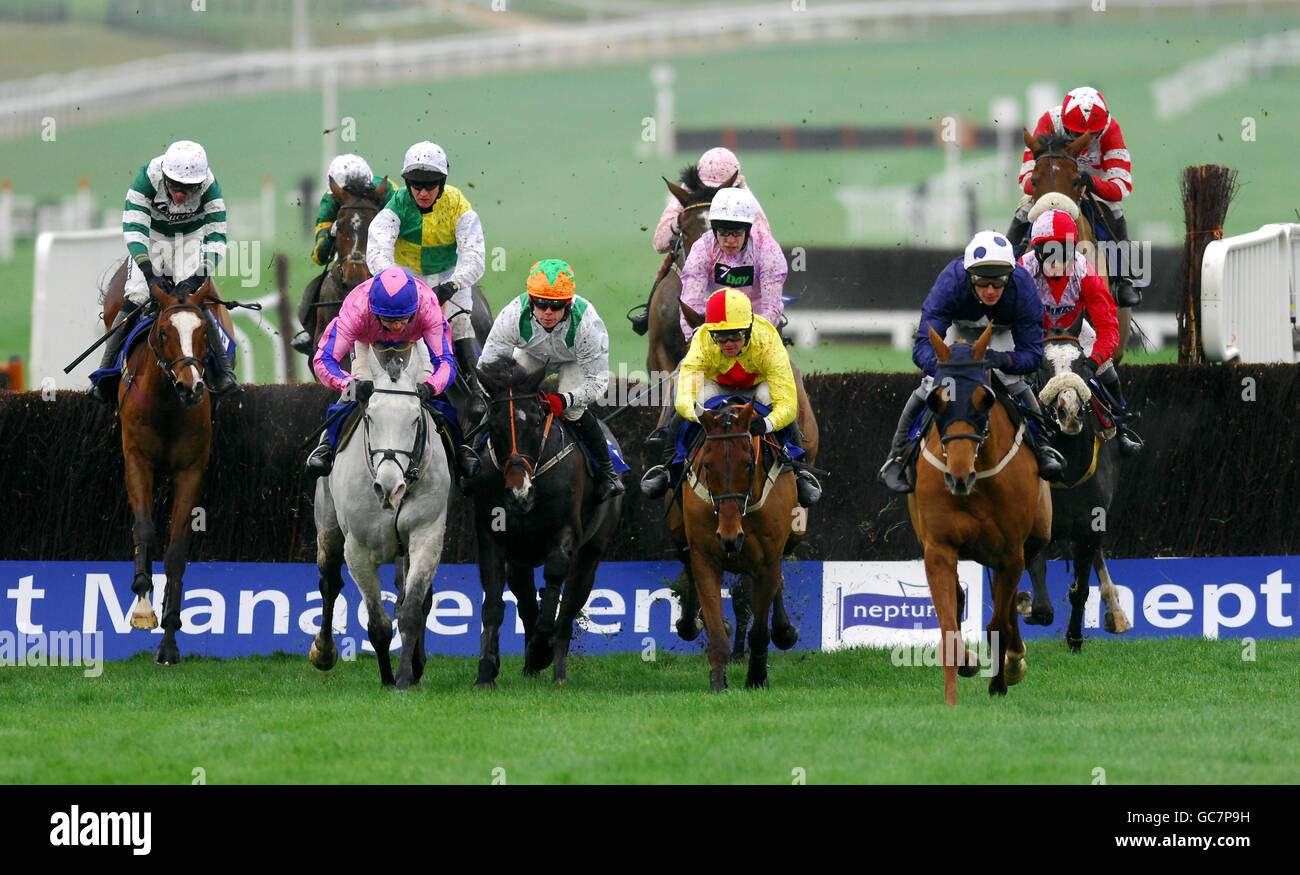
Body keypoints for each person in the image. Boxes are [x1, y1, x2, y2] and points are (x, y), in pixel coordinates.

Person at [877, 231, 1066, 493]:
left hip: (1001, 336)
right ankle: (897, 456)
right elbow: (922, 346)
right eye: (981, 282)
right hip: (958, 335)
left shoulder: (1023, 287)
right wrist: (947, 367)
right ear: (968, 276)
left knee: (1014, 382)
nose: (990, 290)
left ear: (1010, 276)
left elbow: (1032, 355)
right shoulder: (950, 282)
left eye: (998, 282)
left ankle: (1042, 447)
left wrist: (999, 359)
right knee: (930, 384)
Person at [89, 139, 240, 403]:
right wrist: (149, 271)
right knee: (136, 294)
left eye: (188, 189)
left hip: (190, 238)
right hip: (152, 237)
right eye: (175, 186)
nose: (180, 195)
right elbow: (134, 229)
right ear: (165, 176)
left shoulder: (210, 186)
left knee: (193, 298)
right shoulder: (147, 178)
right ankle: (106, 372)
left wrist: (199, 275)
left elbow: (217, 237)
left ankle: (225, 372)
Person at [640, 289, 820, 507]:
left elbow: (787, 406)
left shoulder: (768, 339)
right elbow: (684, 398)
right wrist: (700, 415)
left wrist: (767, 424)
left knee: (774, 402)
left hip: (758, 385)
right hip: (717, 384)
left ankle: (800, 472)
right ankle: (666, 468)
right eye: (720, 337)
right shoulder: (703, 339)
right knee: (686, 407)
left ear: (749, 329)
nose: (727, 344)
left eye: (735, 336)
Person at [476, 259, 626, 502]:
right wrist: (499, 396)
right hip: (532, 354)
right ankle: (473, 454)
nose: (548, 312)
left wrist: (564, 400)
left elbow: (598, 382)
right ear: (530, 300)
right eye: (541, 304)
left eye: (556, 306)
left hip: (574, 360)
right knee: (508, 403)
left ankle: (608, 473)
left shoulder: (587, 323)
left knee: (573, 411)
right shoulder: (512, 314)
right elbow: (486, 367)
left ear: (568, 303)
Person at [366, 141, 486, 413]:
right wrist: (398, 282)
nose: (422, 192)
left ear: (442, 184)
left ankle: (478, 391)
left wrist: (453, 284)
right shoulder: (397, 204)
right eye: (416, 185)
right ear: (407, 183)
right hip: (406, 275)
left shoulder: (457, 203)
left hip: (449, 275)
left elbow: (475, 256)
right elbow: (377, 251)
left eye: (430, 185)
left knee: (461, 323)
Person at [306, 266, 457, 476]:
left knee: (435, 391)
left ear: (414, 309)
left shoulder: (427, 305)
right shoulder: (356, 309)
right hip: (368, 344)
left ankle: (459, 450)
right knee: (353, 393)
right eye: (389, 320)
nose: (397, 326)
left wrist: (431, 387)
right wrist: (350, 385)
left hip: (413, 343)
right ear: (374, 312)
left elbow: (446, 362)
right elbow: (323, 360)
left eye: (404, 318)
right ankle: (326, 447)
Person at [1020, 210, 1142, 455]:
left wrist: (1093, 362)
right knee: (1010, 374)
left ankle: (1121, 427)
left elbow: (1108, 328)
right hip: (1034, 331)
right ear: (1036, 251)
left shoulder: (1084, 271)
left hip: (1075, 331)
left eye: (1062, 253)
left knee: (1107, 370)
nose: (1056, 262)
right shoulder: (1022, 270)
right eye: (1048, 253)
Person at [1007, 86, 1140, 307]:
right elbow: (1026, 181)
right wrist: (1054, 184)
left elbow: (1122, 186)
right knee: (1024, 210)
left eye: (1093, 134)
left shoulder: (1111, 128)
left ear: (1102, 128)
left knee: (1116, 211)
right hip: (1052, 185)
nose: (1085, 140)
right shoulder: (1049, 121)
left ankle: (1126, 278)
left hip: (1092, 185)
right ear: (1066, 126)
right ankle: (1005, 267)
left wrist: (1092, 182)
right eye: (1077, 134)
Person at [630, 147, 772, 336]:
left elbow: (766, 244)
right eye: (709, 188)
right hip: (692, 262)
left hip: (735, 264)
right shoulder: (687, 191)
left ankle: (769, 320)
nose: (712, 194)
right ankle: (649, 310)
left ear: (734, 183)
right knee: (673, 257)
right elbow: (659, 244)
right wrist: (680, 220)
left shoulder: (745, 196)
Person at [291, 153, 397, 355]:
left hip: (389, 253)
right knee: (315, 290)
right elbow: (319, 257)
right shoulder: (331, 200)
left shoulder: (389, 192)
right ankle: (315, 334)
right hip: (347, 258)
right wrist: (332, 232)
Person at [678, 187, 787, 341]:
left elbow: (772, 308)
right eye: (723, 232)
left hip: (756, 326)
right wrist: (697, 337)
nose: (730, 240)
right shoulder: (702, 249)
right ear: (714, 229)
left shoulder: (769, 251)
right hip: (713, 328)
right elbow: (691, 302)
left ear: (747, 230)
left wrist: (749, 339)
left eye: (737, 233)